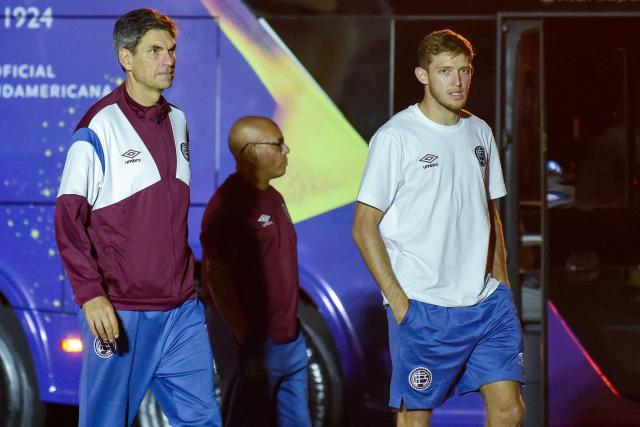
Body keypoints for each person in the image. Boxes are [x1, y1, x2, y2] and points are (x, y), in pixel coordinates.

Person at [54, 8, 221, 427]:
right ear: (126, 58)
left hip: (181, 310)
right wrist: (91, 295)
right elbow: (67, 219)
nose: (169, 59)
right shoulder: (97, 127)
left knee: (203, 420)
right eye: (155, 50)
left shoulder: (179, 121)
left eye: (171, 49)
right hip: (120, 311)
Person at [352, 29, 526, 426]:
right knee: (415, 418)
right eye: (445, 71)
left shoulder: (480, 131)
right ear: (422, 75)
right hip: (424, 305)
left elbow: (490, 215)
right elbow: (364, 226)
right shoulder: (396, 137)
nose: (458, 81)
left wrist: (503, 287)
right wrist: (399, 303)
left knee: (510, 410)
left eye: (464, 70)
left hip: (486, 302)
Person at [200, 116, 311, 427]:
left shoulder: (274, 198)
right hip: (256, 346)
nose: (286, 150)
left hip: (290, 340)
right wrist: (246, 339)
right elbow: (216, 277)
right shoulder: (228, 204)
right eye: (278, 144)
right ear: (251, 152)